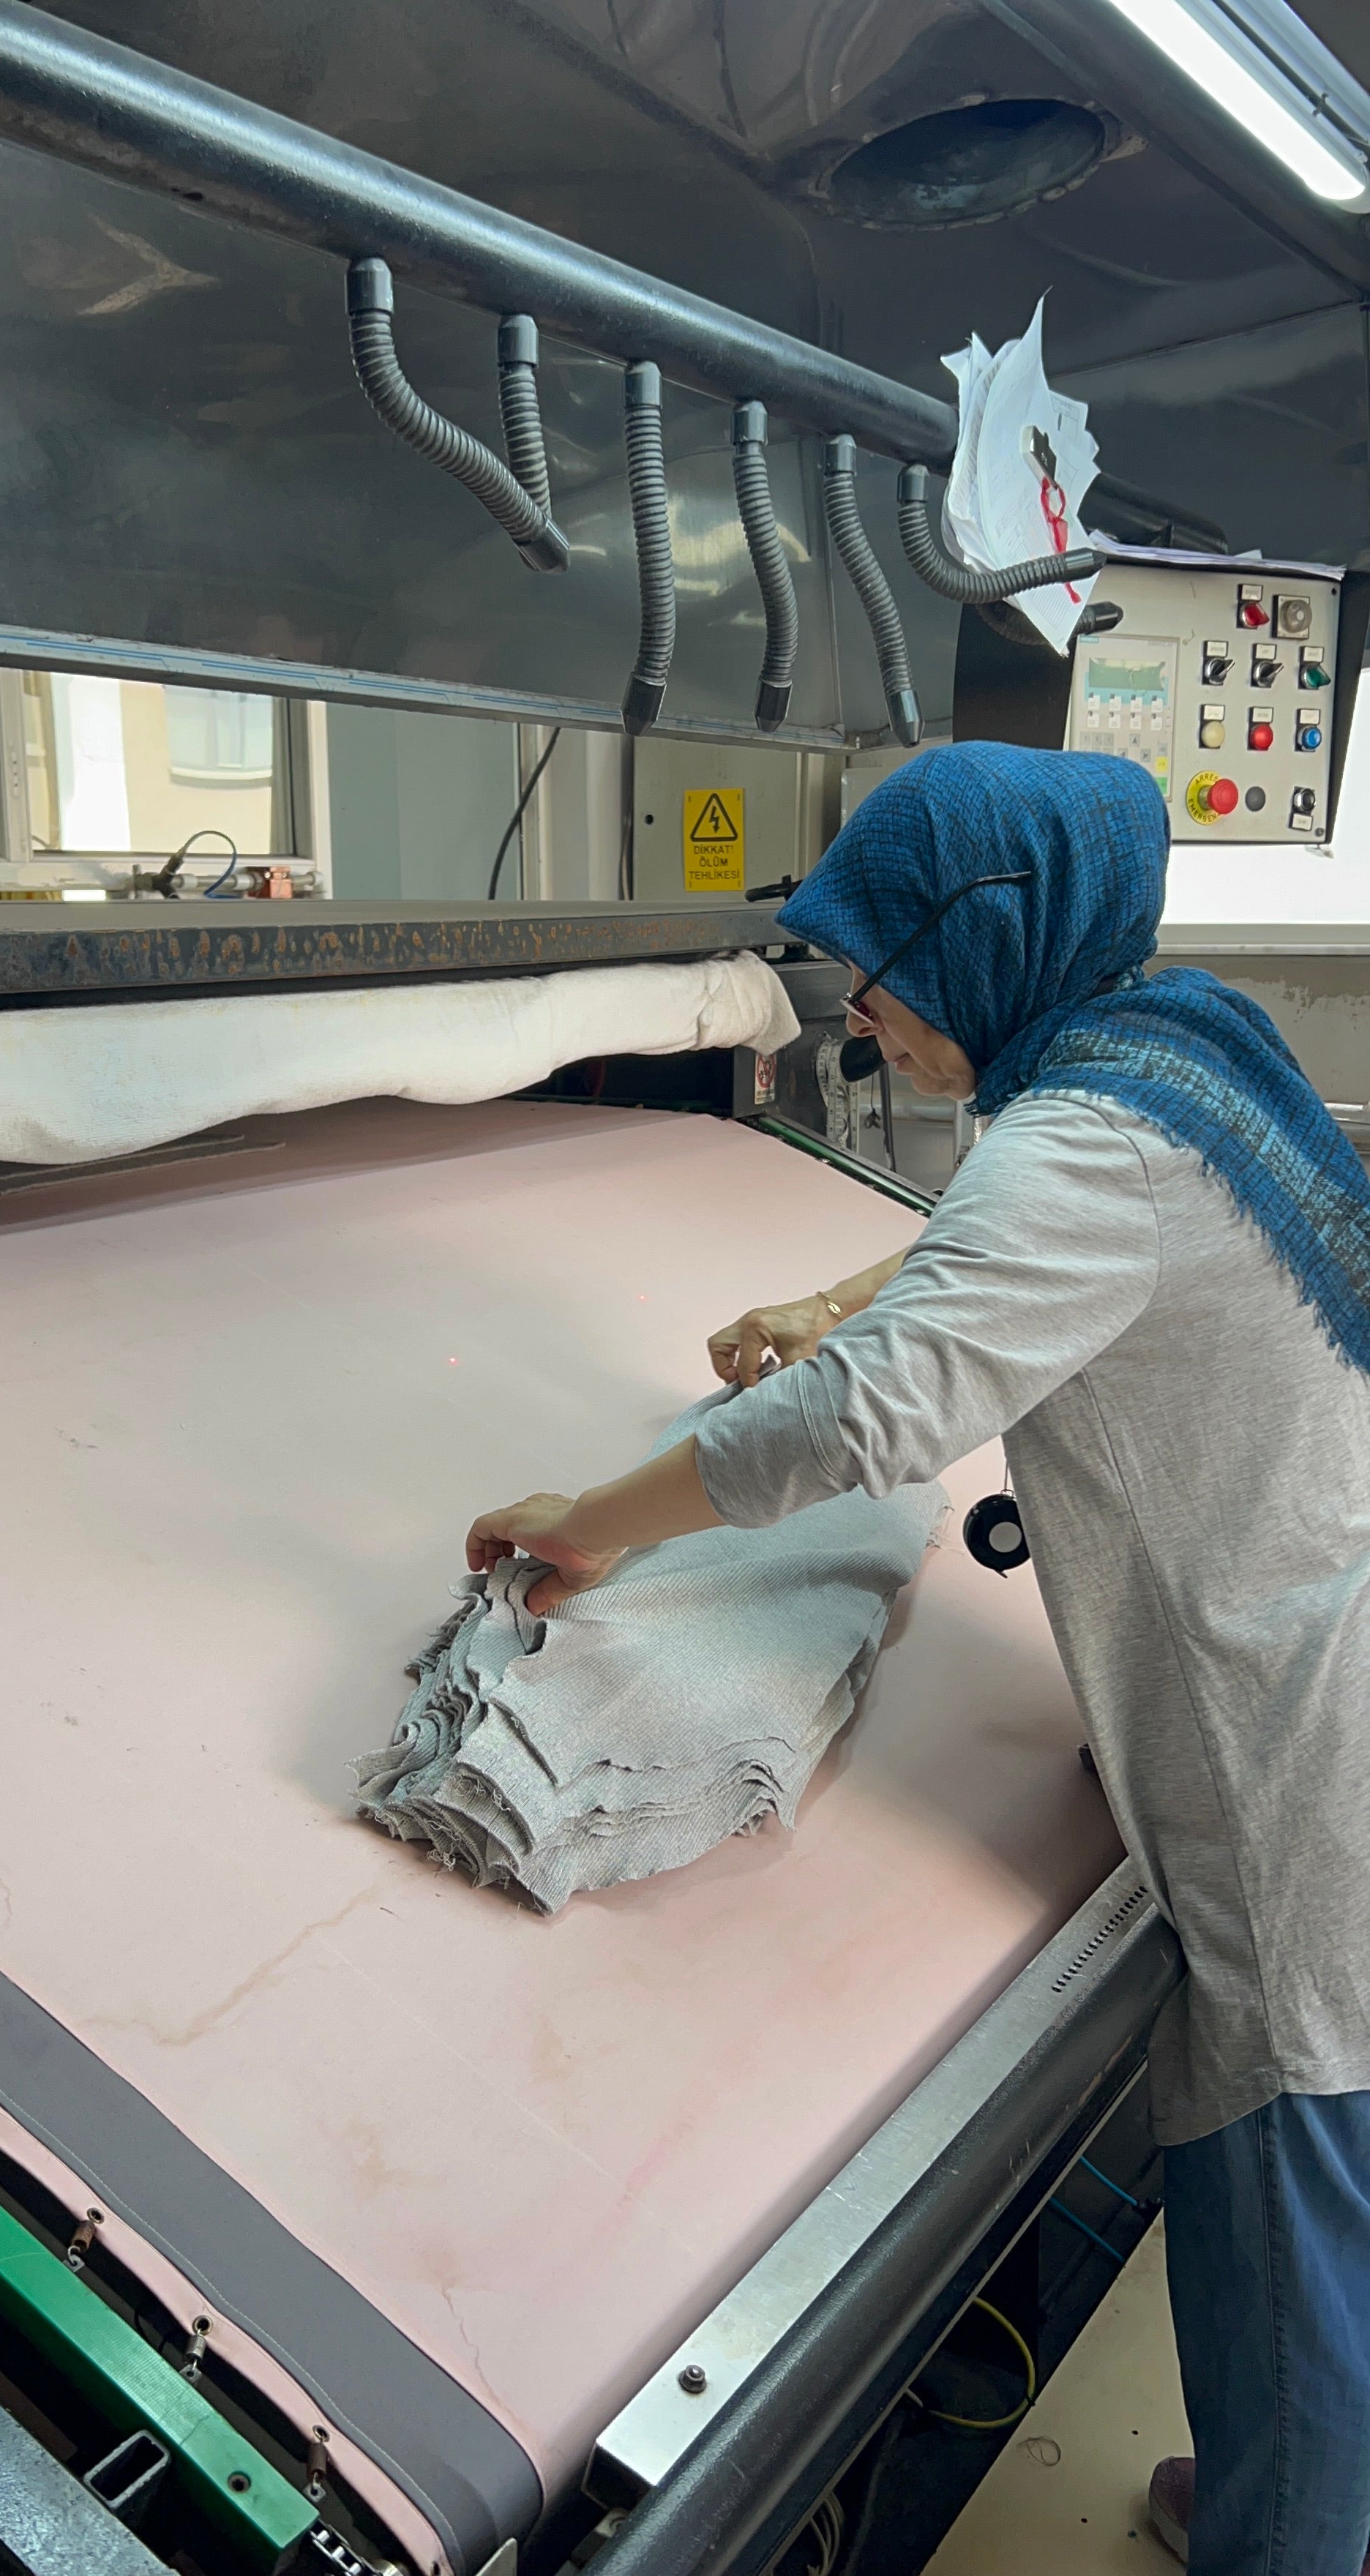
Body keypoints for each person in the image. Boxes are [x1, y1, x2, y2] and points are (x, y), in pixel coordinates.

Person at [465, 741, 1370, 2576]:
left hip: (1296, 1746)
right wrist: (848, 1290)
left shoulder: (1080, 1138)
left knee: (1290, 2180)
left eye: (875, 975)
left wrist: (594, 1522)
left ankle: (1298, 2524)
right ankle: (1294, 2471)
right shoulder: (1176, 1034)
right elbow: (1052, 1262)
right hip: (1330, 1617)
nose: (861, 1021)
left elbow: (869, 1419)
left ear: (988, 942)